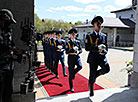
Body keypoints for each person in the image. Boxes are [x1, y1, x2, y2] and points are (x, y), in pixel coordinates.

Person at [0, 9, 22, 102]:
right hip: (0, 66)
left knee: (8, 91)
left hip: (9, 65)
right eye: (8, 20)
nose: (9, 23)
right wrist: (12, 49)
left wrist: (18, 51)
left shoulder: (8, 31)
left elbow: (11, 44)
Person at [85, 16, 110, 96]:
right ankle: (91, 90)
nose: (99, 25)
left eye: (100, 24)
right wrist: (97, 48)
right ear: (94, 25)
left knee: (106, 69)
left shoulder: (104, 36)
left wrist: (105, 51)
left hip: (102, 57)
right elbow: (87, 48)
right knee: (91, 75)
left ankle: (96, 75)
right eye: (97, 24)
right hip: (93, 58)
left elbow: (106, 46)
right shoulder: (89, 36)